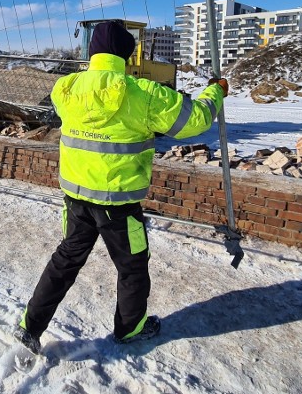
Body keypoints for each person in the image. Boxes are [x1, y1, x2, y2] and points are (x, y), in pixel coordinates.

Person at [14, 20, 229, 354]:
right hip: (118, 203)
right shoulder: (142, 94)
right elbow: (196, 121)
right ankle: (130, 328)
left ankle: (30, 325)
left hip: (75, 197)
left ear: (92, 51)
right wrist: (216, 91)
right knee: (132, 265)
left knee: (66, 259)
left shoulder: (66, 89)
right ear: (128, 54)